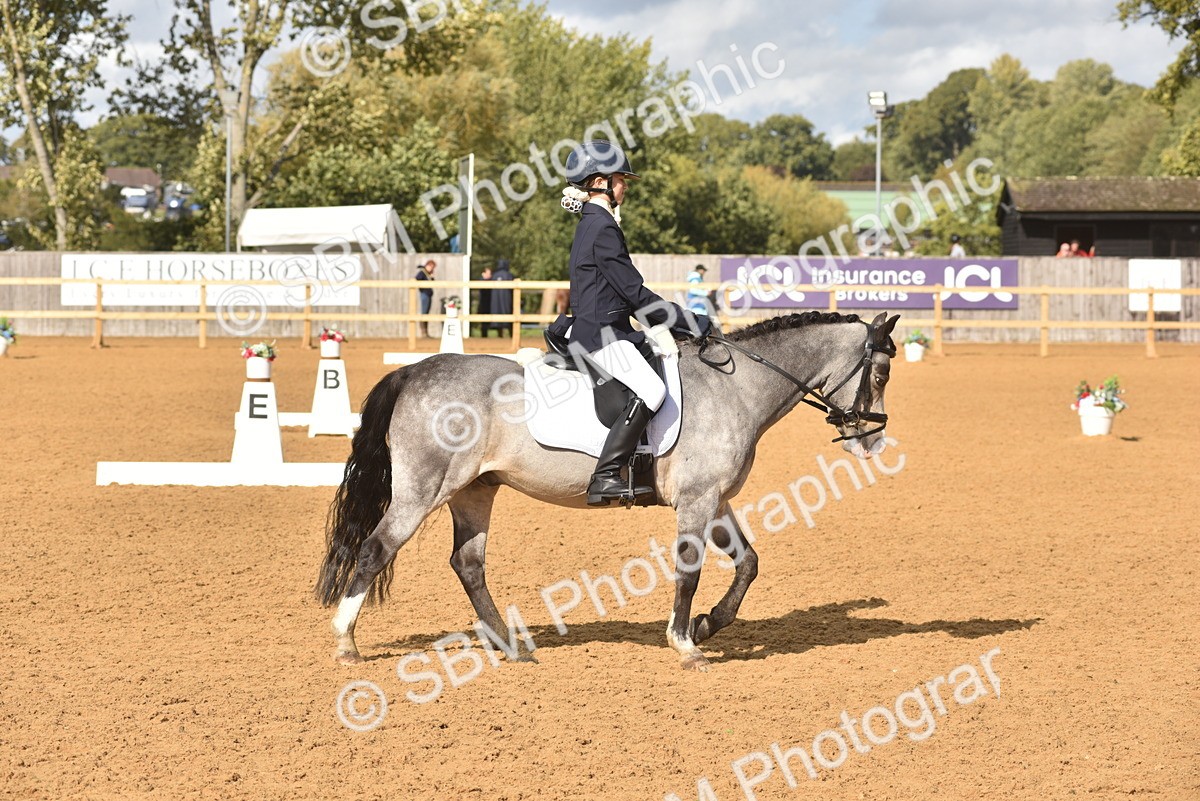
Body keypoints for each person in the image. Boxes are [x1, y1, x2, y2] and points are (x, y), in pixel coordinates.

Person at [558, 140, 711, 506]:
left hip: (609, 328)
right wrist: (686, 319)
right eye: (621, 179)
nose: (626, 186)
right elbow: (633, 292)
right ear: (600, 181)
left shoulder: (591, 222)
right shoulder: (603, 227)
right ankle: (607, 474)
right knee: (653, 391)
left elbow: (623, 295)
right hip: (601, 336)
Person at [490, 258, 515, 337]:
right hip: (506, 300)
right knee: (509, 314)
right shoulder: (509, 275)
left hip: (495, 301)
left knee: (497, 314)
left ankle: (500, 335)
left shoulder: (494, 275)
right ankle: (512, 335)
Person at [416, 259, 435, 337]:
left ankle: (425, 332)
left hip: (428, 295)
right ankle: (423, 332)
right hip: (425, 295)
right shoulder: (422, 273)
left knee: (426, 313)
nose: (431, 268)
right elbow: (417, 279)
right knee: (424, 313)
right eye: (430, 266)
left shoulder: (427, 274)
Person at [476, 266, 494, 337]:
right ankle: (484, 335)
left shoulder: (492, 281)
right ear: (483, 274)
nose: (489, 275)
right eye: (487, 273)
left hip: (491, 303)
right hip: (484, 304)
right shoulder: (481, 282)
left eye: (490, 274)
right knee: (484, 322)